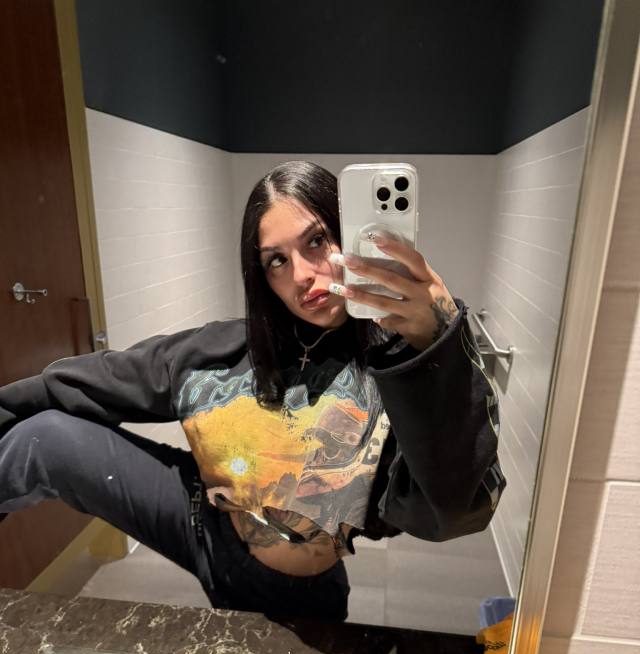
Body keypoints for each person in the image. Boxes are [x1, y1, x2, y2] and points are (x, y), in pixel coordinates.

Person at [0, 161, 505, 621]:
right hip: (200, 520)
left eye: (316, 241)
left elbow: (457, 513)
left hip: (299, 587)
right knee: (44, 438)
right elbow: (89, 381)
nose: (302, 275)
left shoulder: (400, 368)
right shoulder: (220, 352)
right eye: (276, 261)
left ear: (348, 233)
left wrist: (437, 344)